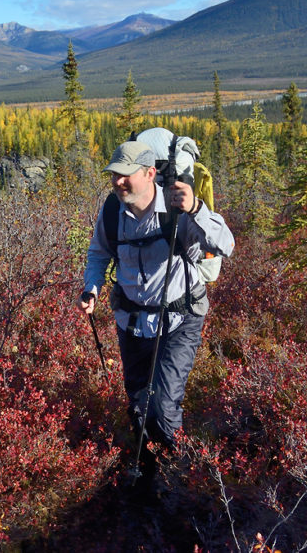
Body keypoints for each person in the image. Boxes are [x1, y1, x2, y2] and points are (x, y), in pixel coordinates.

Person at [78, 140, 234, 481]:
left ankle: (177, 480)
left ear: (150, 173)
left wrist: (195, 209)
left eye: (125, 175)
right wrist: (92, 287)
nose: (118, 182)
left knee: (161, 408)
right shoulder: (111, 211)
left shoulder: (177, 207)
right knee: (137, 407)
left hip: (179, 320)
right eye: (114, 176)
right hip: (131, 322)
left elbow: (226, 244)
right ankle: (148, 475)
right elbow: (98, 254)